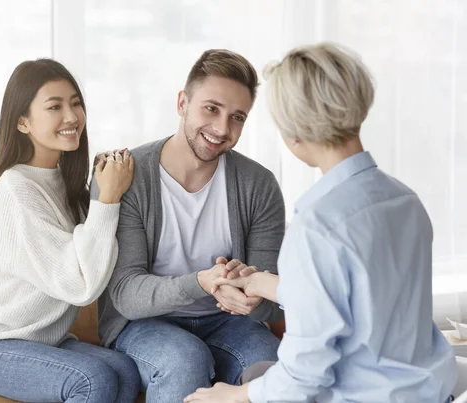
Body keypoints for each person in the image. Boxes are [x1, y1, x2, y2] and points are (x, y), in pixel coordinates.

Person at [184, 42, 457, 403]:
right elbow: (359, 300)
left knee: (236, 385)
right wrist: (257, 280)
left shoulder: (317, 226)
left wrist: (230, 396)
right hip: (430, 391)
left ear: (294, 133)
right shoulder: (404, 201)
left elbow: (304, 377)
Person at [92, 49, 286, 402]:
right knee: (183, 360)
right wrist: (202, 283)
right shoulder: (129, 176)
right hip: (144, 324)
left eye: (237, 117)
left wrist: (248, 291)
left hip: (228, 322)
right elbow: (127, 295)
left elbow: (272, 305)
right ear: (182, 103)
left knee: (273, 367)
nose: (222, 129)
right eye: (211, 108)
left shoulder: (259, 185)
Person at [0, 58, 140, 403]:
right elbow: (80, 285)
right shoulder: (15, 187)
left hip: (42, 341)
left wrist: (104, 193)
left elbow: (95, 269)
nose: (71, 117)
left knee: (125, 371)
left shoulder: (69, 185)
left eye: (76, 103)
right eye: (54, 106)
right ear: (22, 122)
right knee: (92, 380)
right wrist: (108, 199)